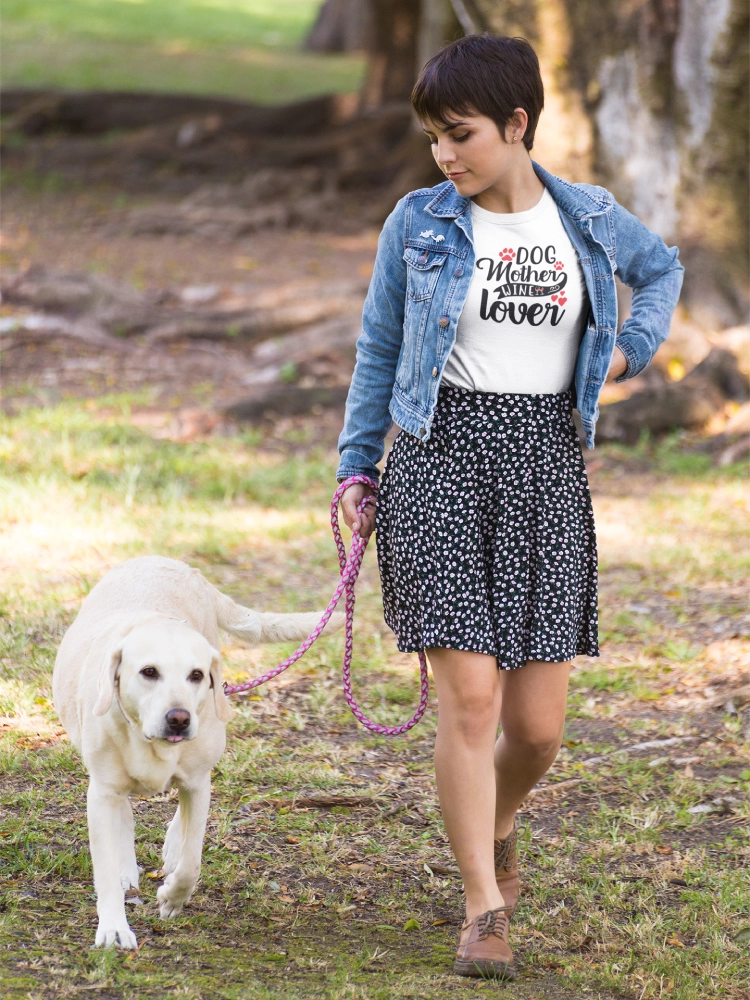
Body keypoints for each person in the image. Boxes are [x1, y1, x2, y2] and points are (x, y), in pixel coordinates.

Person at [337, 34, 683, 979]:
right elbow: (377, 350)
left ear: (518, 124)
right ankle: (483, 906)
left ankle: (492, 826)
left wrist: (624, 354)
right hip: (439, 459)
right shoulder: (419, 224)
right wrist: (357, 469)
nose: (446, 156)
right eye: (434, 139)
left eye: (462, 135)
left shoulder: (589, 220)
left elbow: (664, 272)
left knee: (535, 731)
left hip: (544, 467)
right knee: (472, 700)